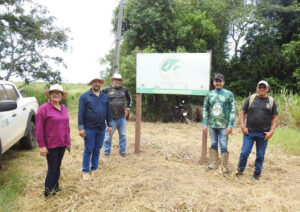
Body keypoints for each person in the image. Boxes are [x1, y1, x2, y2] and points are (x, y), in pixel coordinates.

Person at [236, 80, 278, 180]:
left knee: (260, 156)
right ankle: (240, 170)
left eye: (264, 87)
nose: (262, 89)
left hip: (263, 134)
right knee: (244, 153)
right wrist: (242, 126)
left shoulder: (271, 101)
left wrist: (271, 131)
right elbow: (242, 112)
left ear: (268, 89)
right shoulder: (251, 99)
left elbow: (275, 117)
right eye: (260, 87)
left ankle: (256, 174)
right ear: (257, 88)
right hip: (249, 132)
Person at [35, 84, 71, 197]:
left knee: (57, 166)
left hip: (62, 143)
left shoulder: (64, 108)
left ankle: (55, 187)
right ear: (50, 95)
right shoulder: (43, 109)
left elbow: (66, 126)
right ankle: (48, 193)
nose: (56, 95)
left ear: (62, 95)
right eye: (53, 93)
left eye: (58, 93)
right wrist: (42, 146)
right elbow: (38, 128)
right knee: (52, 168)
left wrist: (68, 141)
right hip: (51, 144)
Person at [78, 77, 112, 180]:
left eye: (99, 82)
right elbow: (81, 113)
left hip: (101, 128)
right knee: (88, 149)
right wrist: (81, 128)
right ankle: (85, 170)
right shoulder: (84, 96)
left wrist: (110, 125)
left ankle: (94, 167)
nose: (97, 84)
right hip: (89, 128)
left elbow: (108, 112)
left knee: (97, 149)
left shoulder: (105, 97)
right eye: (95, 82)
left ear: (101, 84)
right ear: (91, 84)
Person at [202, 73, 235, 174]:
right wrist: (204, 124)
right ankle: (213, 164)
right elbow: (205, 109)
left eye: (220, 81)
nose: (218, 83)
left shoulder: (229, 94)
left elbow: (232, 110)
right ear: (213, 82)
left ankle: (224, 167)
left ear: (223, 82)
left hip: (224, 126)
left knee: (223, 144)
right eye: (216, 81)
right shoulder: (209, 94)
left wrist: (230, 125)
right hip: (212, 125)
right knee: (213, 144)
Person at [102, 73, 132, 157]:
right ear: (112, 80)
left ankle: (122, 151)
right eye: (116, 79)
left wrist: (128, 108)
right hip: (111, 119)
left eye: (119, 80)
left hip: (122, 118)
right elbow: (100, 101)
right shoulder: (106, 90)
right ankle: (107, 152)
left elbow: (130, 98)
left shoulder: (124, 89)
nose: (117, 81)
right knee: (108, 136)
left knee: (123, 135)